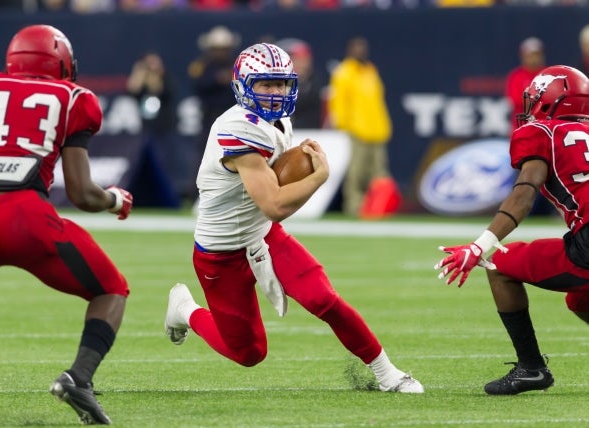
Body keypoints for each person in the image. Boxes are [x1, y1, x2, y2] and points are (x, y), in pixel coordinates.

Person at [164, 42, 424, 394]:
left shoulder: (279, 121)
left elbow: (271, 205)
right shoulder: (238, 128)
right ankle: (186, 311)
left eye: (282, 84)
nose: (276, 93)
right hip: (221, 253)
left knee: (323, 299)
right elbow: (275, 203)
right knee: (249, 353)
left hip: (263, 236)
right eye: (265, 84)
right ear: (243, 85)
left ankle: (387, 373)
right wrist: (317, 178)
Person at [0, 24, 133, 424]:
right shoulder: (74, 97)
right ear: (60, 62)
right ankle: (78, 379)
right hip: (28, 218)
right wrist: (115, 198)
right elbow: (81, 193)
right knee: (111, 289)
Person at [435, 65, 589, 396]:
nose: (531, 106)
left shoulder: (543, 133)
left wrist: (480, 246)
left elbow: (524, 193)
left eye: (536, 99)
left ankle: (532, 368)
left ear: (551, 101)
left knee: (500, 266)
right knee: (580, 299)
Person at [327, 36, 393, 216]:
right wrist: (343, 126)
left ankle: (379, 206)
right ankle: (354, 206)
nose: (361, 52)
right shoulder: (344, 72)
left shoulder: (370, 70)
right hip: (356, 130)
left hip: (376, 129)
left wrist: (383, 125)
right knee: (356, 172)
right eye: (357, 48)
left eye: (363, 48)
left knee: (379, 172)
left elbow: (378, 101)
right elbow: (338, 102)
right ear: (350, 50)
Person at [275, 38, 326, 129]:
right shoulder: (281, 83)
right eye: (298, 60)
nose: (302, 64)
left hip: (313, 131)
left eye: (305, 60)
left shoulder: (316, 83)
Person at [505, 37, 546, 132]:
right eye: (530, 55)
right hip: (521, 127)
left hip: (544, 127)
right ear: (523, 56)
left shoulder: (548, 73)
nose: (534, 58)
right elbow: (516, 101)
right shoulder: (516, 76)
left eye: (537, 55)